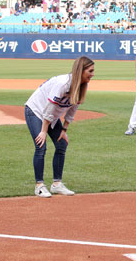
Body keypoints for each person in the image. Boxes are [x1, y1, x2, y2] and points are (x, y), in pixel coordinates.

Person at [24, 56, 95, 198]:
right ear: (81, 70)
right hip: (36, 110)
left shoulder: (81, 85)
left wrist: (64, 130)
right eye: (90, 71)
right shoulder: (63, 83)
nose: (93, 74)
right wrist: (43, 131)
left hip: (51, 116)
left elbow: (72, 109)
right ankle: (39, 186)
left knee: (61, 143)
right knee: (41, 145)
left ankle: (56, 184)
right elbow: (49, 108)